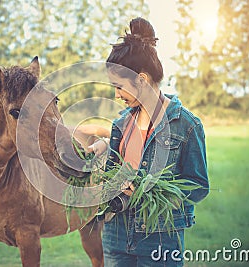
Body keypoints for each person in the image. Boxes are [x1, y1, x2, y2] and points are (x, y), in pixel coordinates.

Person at [88, 17, 209, 266]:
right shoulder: (121, 123)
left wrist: (149, 191)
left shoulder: (187, 125)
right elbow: (113, 170)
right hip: (116, 233)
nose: (116, 95)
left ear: (141, 79)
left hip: (160, 237)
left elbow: (197, 185)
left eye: (119, 87)